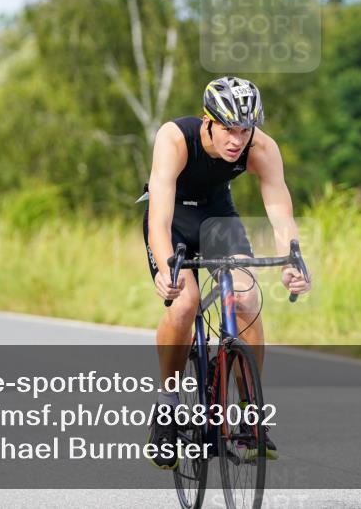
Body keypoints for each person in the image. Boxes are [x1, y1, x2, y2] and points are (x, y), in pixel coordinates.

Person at [142, 75, 311, 470]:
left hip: (218, 217)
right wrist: (166, 268)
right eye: (229, 129)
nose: (237, 140)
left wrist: (292, 261)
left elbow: (280, 212)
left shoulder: (262, 147)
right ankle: (166, 408)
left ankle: (251, 412)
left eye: (245, 130)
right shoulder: (174, 139)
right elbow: (158, 219)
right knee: (185, 303)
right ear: (208, 122)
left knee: (247, 295)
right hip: (173, 219)